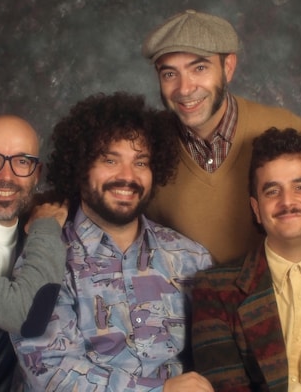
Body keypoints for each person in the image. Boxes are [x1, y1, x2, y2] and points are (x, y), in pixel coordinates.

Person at [11, 92, 214, 392]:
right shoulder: (44, 261)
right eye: (110, 160)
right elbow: (51, 374)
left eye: (140, 162)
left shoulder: (191, 258)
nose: (127, 176)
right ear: (80, 168)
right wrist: (161, 390)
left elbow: (218, 358)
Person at [141, 9, 301, 263]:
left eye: (199, 68)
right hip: (191, 289)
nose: (185, 89)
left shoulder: (281, 126)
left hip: (279, 285)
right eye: (169, 74)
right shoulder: (146, 146)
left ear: (228, 67)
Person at [191, 127, 301, 391]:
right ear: (257, 209)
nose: (287, 201)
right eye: (272, 191)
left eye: (300, 187)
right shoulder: (214, 291)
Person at [0, 115, 68, 392]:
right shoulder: (43, 232)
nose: (6, 177)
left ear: (36, 174)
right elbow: (28, 317)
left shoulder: (29, 238)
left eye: (21, 162)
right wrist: (46, 225)